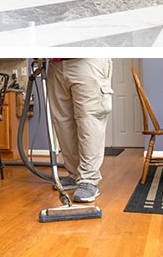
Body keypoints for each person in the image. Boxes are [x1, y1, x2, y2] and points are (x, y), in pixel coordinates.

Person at [47, 58, 113, 203]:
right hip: (55, 64)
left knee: (89, 120)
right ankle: (74, 174)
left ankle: (89, 179)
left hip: (86, 60)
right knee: (63, 123)